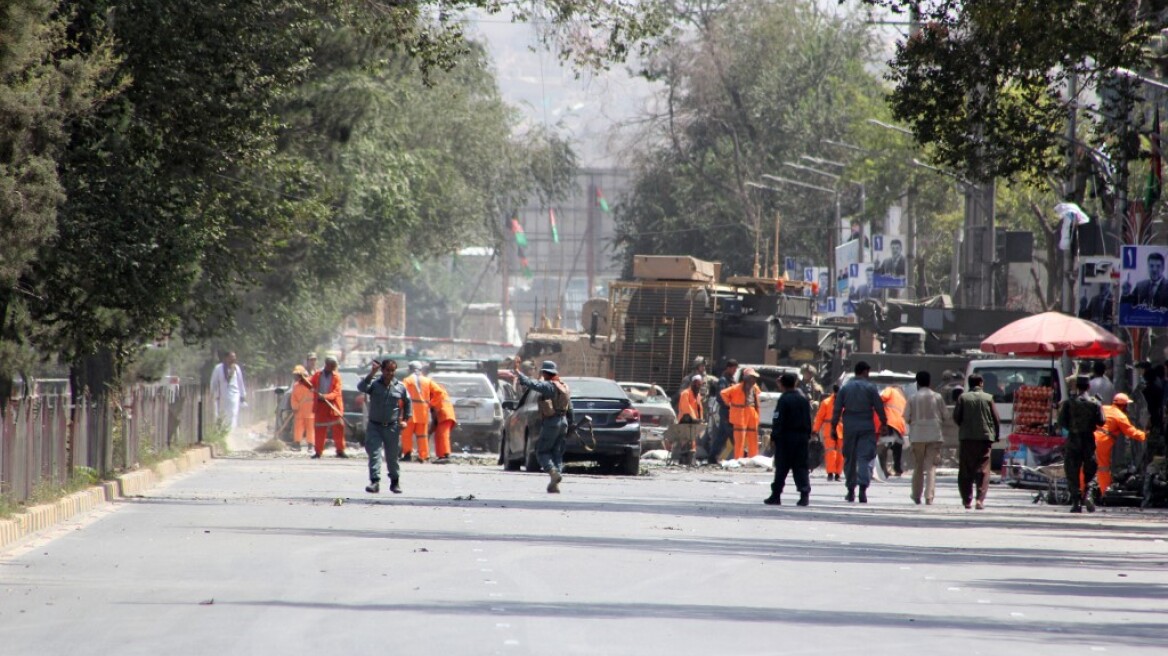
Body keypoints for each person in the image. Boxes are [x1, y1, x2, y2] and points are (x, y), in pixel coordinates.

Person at [831, 361, 887, 503]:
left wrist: (833, 427)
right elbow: (879, 407)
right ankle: (863, 489)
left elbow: (837, 409)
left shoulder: (845, 388)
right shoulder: (870, 387)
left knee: (849, 458)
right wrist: (884, 423)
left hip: (849, 427)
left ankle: (850, 490)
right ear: (864, 372)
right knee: (865, 458)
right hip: (866, 427)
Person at [515, 360, 573, 493]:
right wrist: (570, 425)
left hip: (551, 422)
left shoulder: (549, 386)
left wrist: (519, 374)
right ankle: (555, 481)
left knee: (542, 451)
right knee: (556, 452)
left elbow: (532, 384)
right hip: (563, 422)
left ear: (545, 373)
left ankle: (553, 472)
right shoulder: (564, 386)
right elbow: (570, 408)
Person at [357, 358, 411, 494]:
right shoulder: (375, 384)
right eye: (387, 370)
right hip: (375, 426)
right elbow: (361, 387)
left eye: (392, 371)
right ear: (382, 370)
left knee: (392, 457)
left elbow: (408, 402)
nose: (390, 373)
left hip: (392, 427)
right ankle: (374, 482)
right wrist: (371, 373)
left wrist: (405, 420)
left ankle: (395, 482)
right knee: (374, 454)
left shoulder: (400, 386)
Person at [1058, 376, 1105, 513]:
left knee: (1072, 472)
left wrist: (1073, 428)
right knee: (1091, 469)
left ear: (1076, 387)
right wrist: (1099, 405)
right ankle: (1089, 493)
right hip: (1088, 440)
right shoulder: (1095, 402)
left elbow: (1062, 422)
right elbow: (1102, 421)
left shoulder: (1069, 403)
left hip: (1073, 440)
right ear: (1088, 387)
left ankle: (1076, 502)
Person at [953, 374, 1000, 510]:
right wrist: (995, 435)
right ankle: (979, 500)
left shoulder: (963, 398)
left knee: (965, 469)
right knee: (983, 469)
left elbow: (956, 417)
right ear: (981, 383)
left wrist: (965, 427)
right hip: (985, 439)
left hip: (967, 439)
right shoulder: (988, 398)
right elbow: (996, 419)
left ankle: (967, 500)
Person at [904, 371, 947, 505]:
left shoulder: (912, 398)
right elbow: (945, 415)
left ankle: (916, 495)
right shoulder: (937, 397)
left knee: (918, 466)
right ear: (929, 382)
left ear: (917, 382)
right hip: (934, 435)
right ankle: (929, 496)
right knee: (931, 467)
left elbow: (906, 417)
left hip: (917, 435)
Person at [1094, 393, 1146, 493]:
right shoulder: (1120, 416)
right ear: (1123, 406)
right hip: (1102, 442)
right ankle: (1104, 492)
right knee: (1103, 468)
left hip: (1089, 437)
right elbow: (1132, 432)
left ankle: (1081, 492)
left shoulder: (1104, 408)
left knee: (1085, 466)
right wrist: (1145, 435)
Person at [721, 367, 762, 460]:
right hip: (740, 414)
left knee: (753, 437)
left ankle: (753, 458)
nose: (754, 379)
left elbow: (759, 395)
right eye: (752, 377)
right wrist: (730, 403)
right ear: (746, 378)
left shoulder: (755, 388)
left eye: (754, 378)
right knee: (740, 438)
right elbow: (723, 393)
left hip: (752, 412)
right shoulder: (737, 387)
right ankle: (738, 459)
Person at [311, 356, 347, 458]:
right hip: (320, 405)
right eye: (332, 366)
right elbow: (311, 383)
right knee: (319, 428)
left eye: (334, 366)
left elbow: (336, 392)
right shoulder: (317, 375)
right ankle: (318, 452)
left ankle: (340, 450)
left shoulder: (337, 377)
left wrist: (326, 396)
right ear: (327, 365)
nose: (333, 368)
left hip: (333, 405)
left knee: (338, 427)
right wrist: (303, 380)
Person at [401, 361, 435, 462]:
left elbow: (401, 395)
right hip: (423, 413)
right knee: (422, 435)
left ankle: (407, 455)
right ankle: (423, 456)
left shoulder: (407, 380)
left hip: (410, 412)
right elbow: (437, 393)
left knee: (407, 435)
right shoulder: (428, 381)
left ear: (410, 369)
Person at [708, 359, 739, 464]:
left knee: (722, 436)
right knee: (731, 433)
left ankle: (712, 457)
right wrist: (729, 405)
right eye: (734, 369)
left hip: (732, 411)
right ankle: (741, 455)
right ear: (728, 368)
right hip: (726, 411)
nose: (735, 371)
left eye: (736, 369)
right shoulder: (723, 380)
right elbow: (720, 396)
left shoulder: (731, 380)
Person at [812, 384, 843, 481]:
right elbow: (819, 417)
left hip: (842, 429)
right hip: (829, 429)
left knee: (840, 453)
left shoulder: (846, 402)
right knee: (830, 452)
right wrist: (815, 430)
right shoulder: (826, 403)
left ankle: (838, 473)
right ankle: (830, 472)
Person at [209, 351, 247, 431]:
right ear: (226, 358)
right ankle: (221, 432)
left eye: (234, 357)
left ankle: (231, 432)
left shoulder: (236, 368)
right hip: (222, 396)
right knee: (222, 414)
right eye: (231, 357)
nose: (233, 359)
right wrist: (212, 393)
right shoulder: (218, 368)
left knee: (233, 413)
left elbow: (240, 382)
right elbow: (213, 382)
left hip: (234, 396)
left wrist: (242, 396)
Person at [876, 385, 907, 478]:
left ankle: (882, 470)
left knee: (884, 446)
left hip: (890, 422)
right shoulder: (903, 398)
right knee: (897, 448)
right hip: (899, 426)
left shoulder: (890, 390)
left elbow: (883, 397)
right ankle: (898, 469)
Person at [428, 379, 456, 463]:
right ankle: (441, 456)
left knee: (442, 435)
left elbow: (434, 417)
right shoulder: (440, 392)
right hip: (446, 415)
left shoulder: (434, 396)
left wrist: (429, 432)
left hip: (444, 415)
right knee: (439, 435)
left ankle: (446, 455)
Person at [289, 365, 315, 451]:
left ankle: (310, 446)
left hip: (310, 411)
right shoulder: (296, 386)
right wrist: (295, 407)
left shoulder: (311, 384)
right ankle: (297, 445)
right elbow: (293, 398)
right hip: (299, 411)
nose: (295, 377)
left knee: (310, 429)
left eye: (297, 375)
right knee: (298, 429)